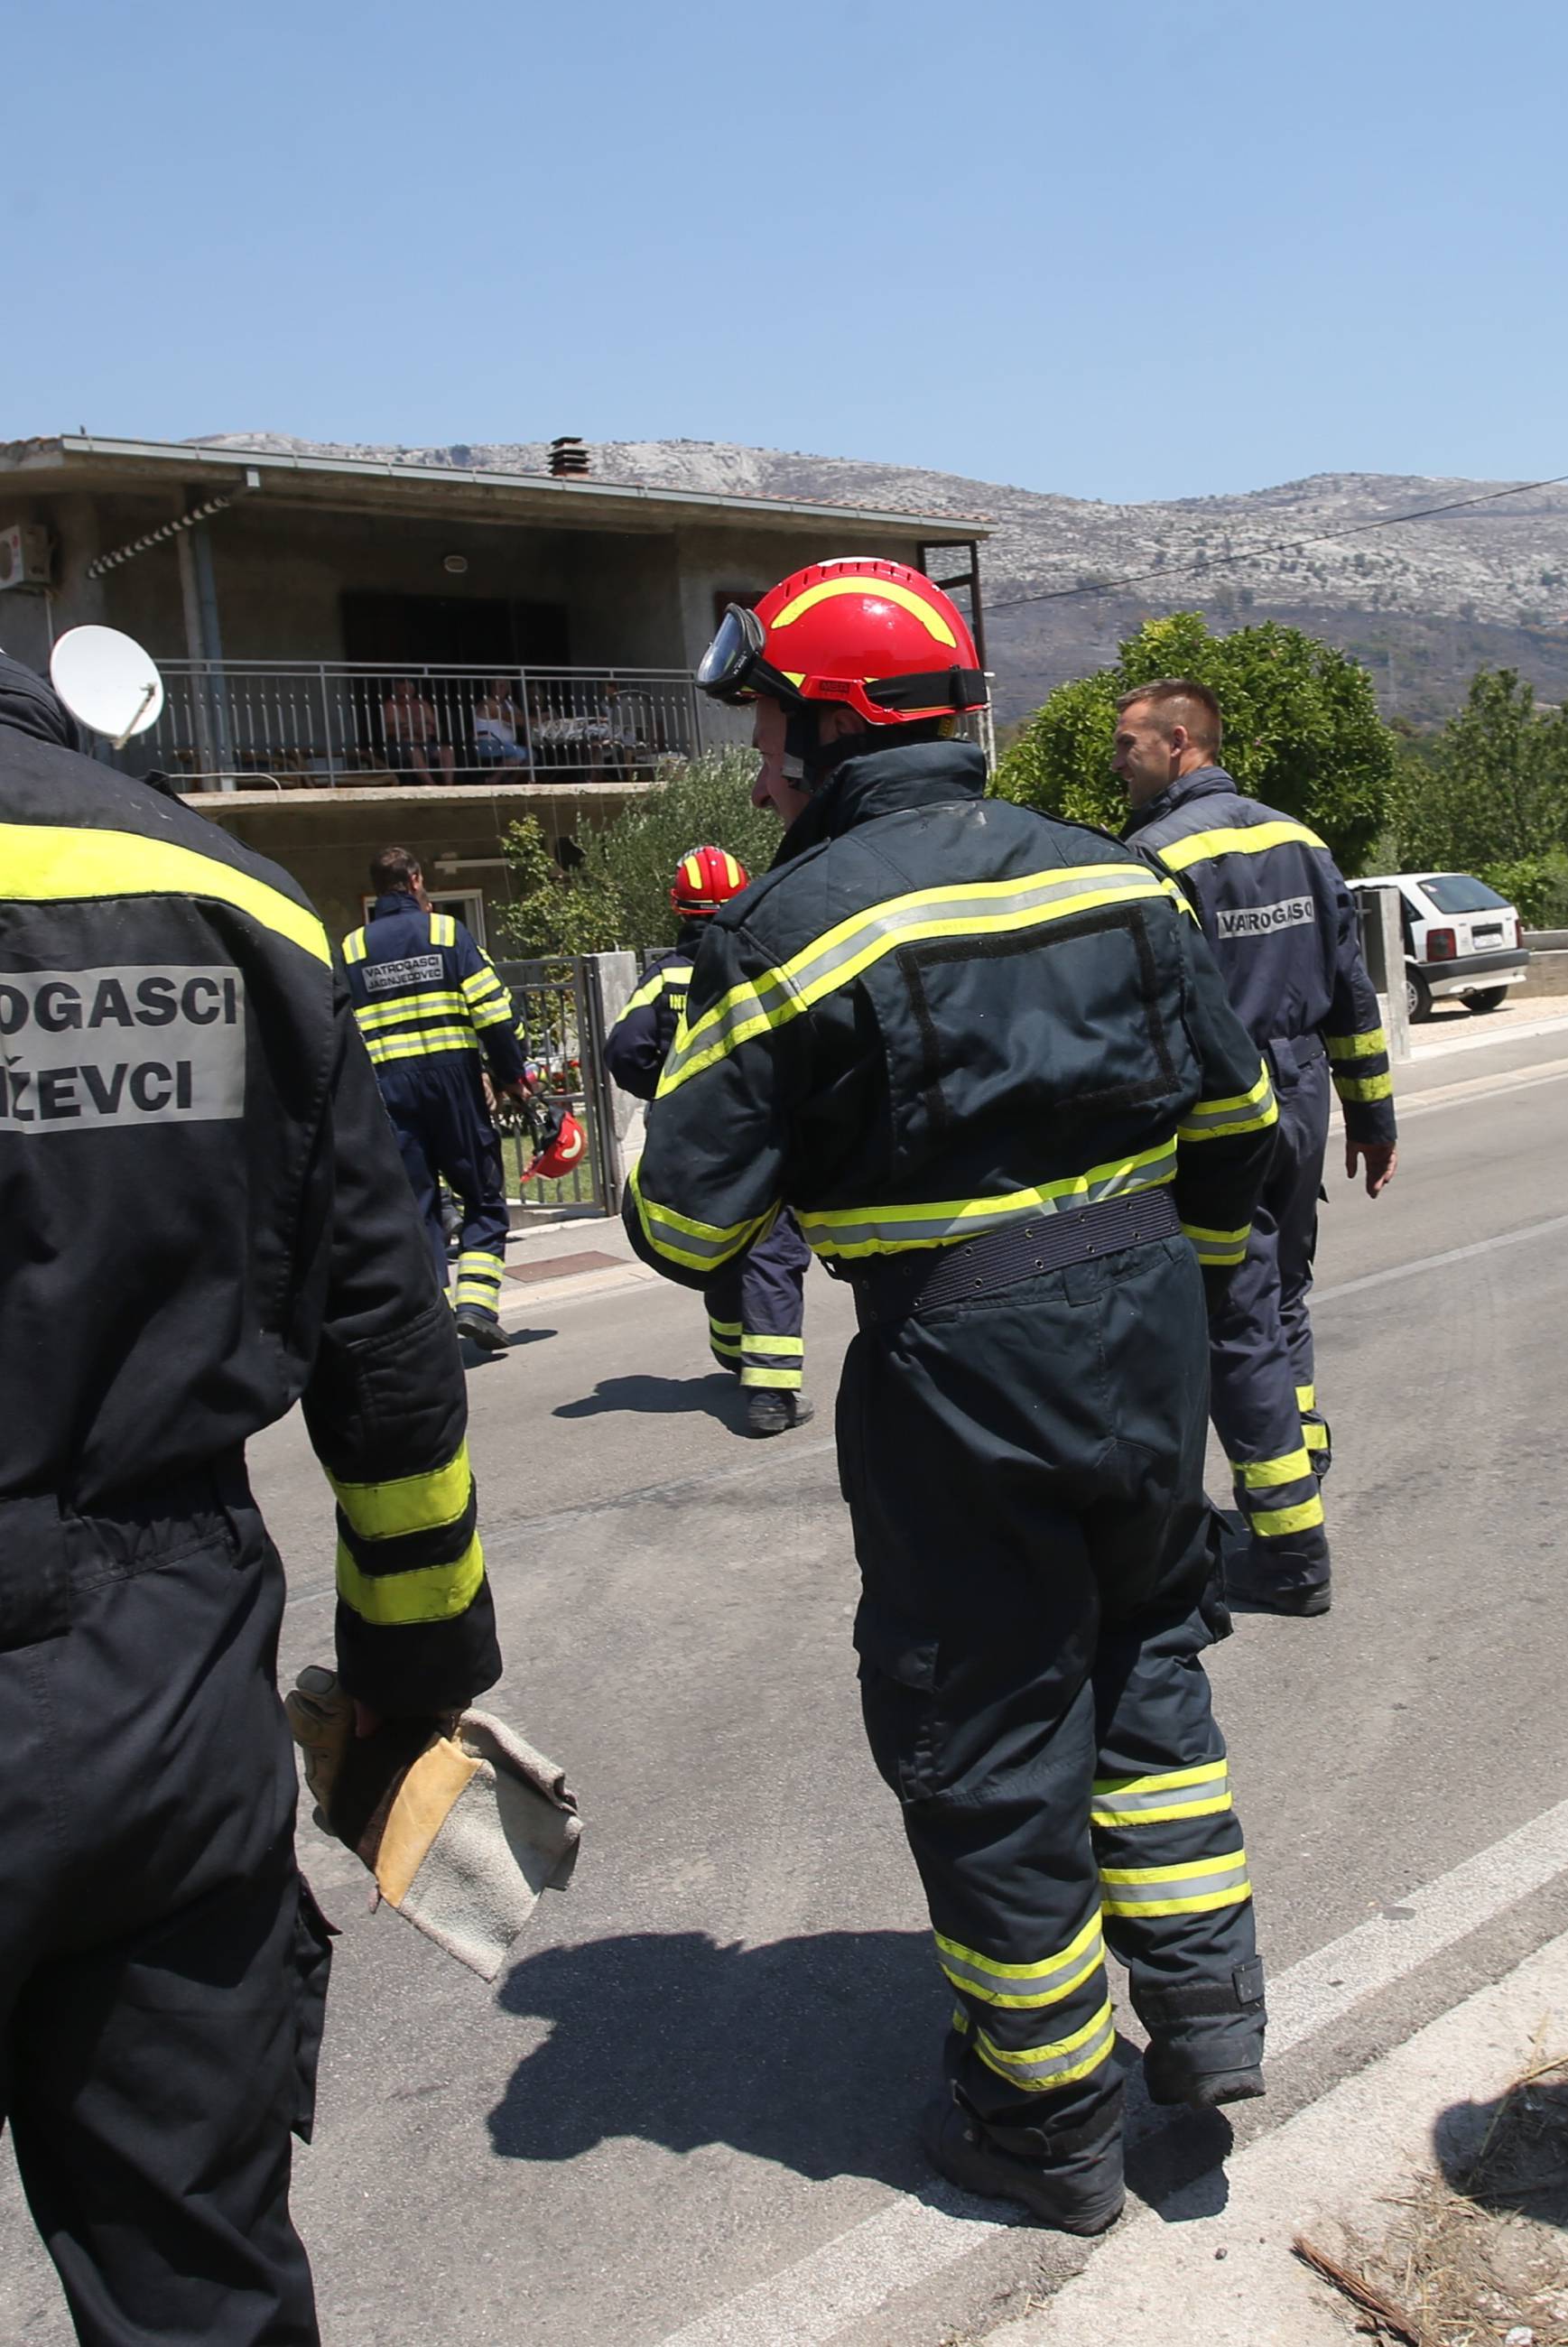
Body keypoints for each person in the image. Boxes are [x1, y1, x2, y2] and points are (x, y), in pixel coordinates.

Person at [623, 561, 1280, 2234]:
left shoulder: (788, 929)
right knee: (1148, 1671)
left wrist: (695, 1027)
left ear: (832, 729)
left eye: (769, 724)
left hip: (956, 1373)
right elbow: (1241, 1133)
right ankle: (1208, 2014)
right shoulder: (1117, 882)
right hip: (1149, 1346)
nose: (760, 762)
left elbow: (682, 1222)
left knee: (984, 1735)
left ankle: (1046, 2119)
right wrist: (1187, 1320)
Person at [0, 652, 502, 2342]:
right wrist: (413, 1680)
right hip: (158, 1698)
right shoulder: (224, 896)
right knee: (197, 2277)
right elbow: (389, 1351)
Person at [1115, 680, 1398, 1619]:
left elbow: (1145, 1022)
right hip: (1304, 1094)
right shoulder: (1300, 839)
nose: (1118, 762)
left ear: (1181, 742)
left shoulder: (1153, 859)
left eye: (1129, 745)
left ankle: (1288, 1552)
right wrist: (1373, 1116)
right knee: (1281, 1295)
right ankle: (1302, 1454)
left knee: (1231, 1320)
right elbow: (1351, 994)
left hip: (1220, 1113)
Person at [604, 845, 813, 1436]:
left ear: (679, 909)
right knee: (772, 1248)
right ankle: (771, 1392)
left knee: (715, 1236)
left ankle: (733, 1349)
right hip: (760, 1132)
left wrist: (669, 1091)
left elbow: (625, 1051)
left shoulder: (665, 976)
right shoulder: (762, 966)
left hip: (692, 1140)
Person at [342, 849, 532, 1354]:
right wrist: (512, 1074)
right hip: (453, 1085)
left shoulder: (353, 948)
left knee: (416, 1207)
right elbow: (493, 1011)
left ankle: (433, 1318)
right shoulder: (447, 933)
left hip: (388, 1092)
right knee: (484, 1196)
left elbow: (337, 1031)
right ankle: (475, 1304)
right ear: (415, 881)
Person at [381, 676, 455, 784]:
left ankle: (449, 786)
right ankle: (432, 786)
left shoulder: (423, 705)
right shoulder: (390, 706)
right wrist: (414, 730)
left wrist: (432, 731)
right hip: (401, 745)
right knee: (414, 751)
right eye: (398, 690)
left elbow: (436, 727)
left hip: (426, 744)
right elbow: (389, 730)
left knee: (447, 751)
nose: (401, 693)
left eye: (405, 690)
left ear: (412, 691)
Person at [473, 678, 531, 769]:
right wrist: (537, 719)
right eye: (494, 686)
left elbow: (522, 719)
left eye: (501, 686)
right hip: (487, 744)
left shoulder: (509, 704)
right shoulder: (488, 703)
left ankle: (510, 781)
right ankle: (493, 779)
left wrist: (538, 719)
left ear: (507, 688)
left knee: (532, 755)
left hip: (506, 745)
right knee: (520, 753)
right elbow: (512, 718)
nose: (497, 689)